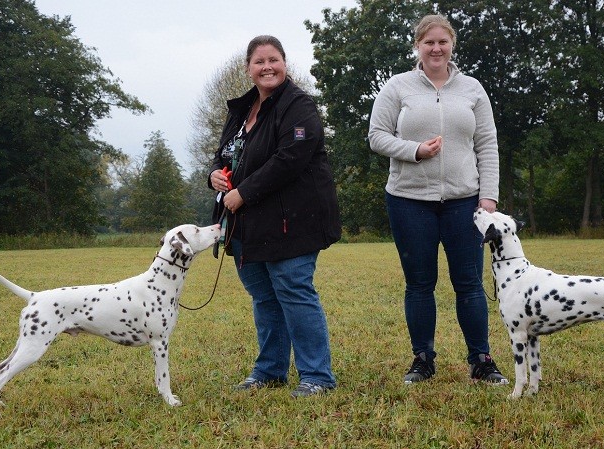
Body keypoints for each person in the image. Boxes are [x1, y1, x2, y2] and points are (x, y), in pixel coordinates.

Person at [368, 14, 508, 385]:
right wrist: (415, 150)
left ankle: (481, 359)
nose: (436, 48)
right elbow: (377, 136)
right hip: (409, 200)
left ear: (452, 45)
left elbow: (487, 145)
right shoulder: (398, 87)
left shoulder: (473, 89)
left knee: (470, 283)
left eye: (442, 42)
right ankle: (423, 359)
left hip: (465, 201)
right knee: (419, 284)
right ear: (417, 46)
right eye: (428, 42)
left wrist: (488, 197)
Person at [207, 35, 341, 398]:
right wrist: (215, 176)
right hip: (246, 224)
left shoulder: (299, 106)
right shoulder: (241, 110)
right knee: (264, 298)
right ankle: (270, 371)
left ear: (285, 62)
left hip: (292, 220)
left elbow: (291, 158)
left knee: (295, 292)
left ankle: (317, 376)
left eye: (273, 60)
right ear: (248, 69)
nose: (267, 67)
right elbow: (225, 155)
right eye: (259, 61)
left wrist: (243, 192)